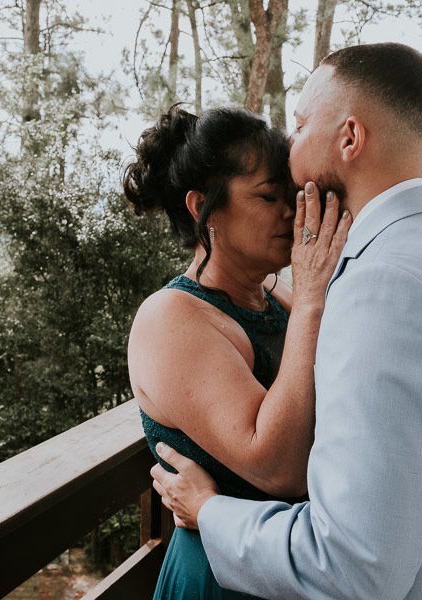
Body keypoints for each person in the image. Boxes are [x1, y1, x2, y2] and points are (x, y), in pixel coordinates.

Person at [151, 43, 422, 599]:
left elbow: (353, 565)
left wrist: (209, 511)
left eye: (301, 125)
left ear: (349, 137)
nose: (291, 146)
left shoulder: (385, 286)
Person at [123, 104, 351, 599]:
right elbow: (280, 468)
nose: (290, 212)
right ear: (201, 207)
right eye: (269, 196)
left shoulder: (279, 296)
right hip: (221, 576)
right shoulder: (172, 318)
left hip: (288, 562)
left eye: (290, 195)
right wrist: (313, 297)